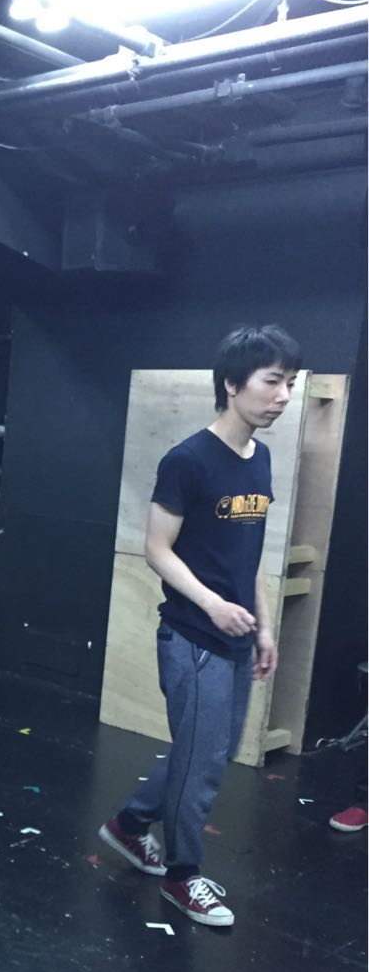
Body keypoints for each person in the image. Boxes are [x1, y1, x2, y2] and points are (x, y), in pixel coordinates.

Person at [98, 324, 303, 927]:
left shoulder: (261, 459)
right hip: (193, 637)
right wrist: (212, 604)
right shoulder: (187, 460)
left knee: (203, 752)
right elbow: (157, 548)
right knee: (205, 760)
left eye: (290, 384)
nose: (283, 396)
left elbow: (248, 557)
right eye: (272, 381)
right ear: (232, 384)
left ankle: (129, 825)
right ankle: (182, 876)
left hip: (237, 635)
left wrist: (264, 628)